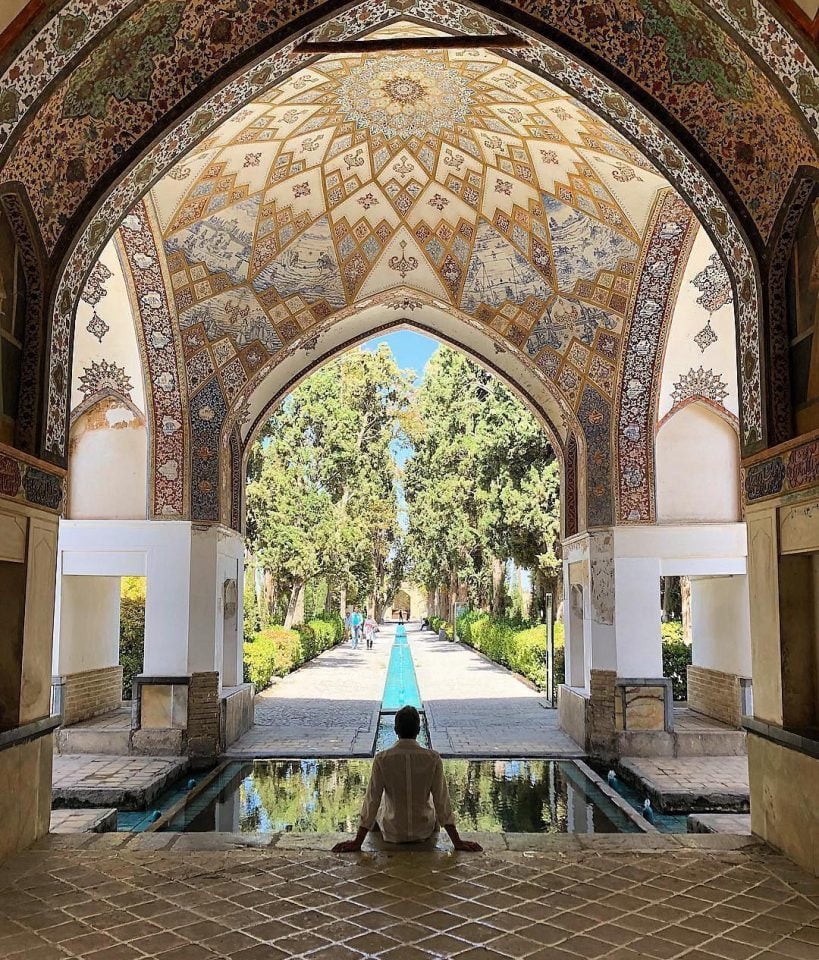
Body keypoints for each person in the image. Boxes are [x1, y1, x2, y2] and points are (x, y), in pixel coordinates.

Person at [332, 705, 482, 853]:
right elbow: (441, 802)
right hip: (423, 831)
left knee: (380, 805)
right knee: (431, 805)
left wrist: (357, 843)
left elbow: (372, 800)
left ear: (396, 730)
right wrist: (457, 842)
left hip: (392, 832)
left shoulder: (382, 759)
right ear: (418, 730)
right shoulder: (432, 759)